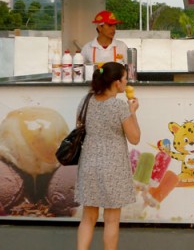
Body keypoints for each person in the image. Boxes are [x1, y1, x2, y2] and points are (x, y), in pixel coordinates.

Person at [75, 62, 141, 250]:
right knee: (111, 220)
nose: (126, 82)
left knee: (88, 218)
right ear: (116, 83)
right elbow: (135, 138)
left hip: (88, 163)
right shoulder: (120, 107)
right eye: (125, 79)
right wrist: (133, 112)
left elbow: (80, 128)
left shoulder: (86, 100)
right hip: (113, 167)